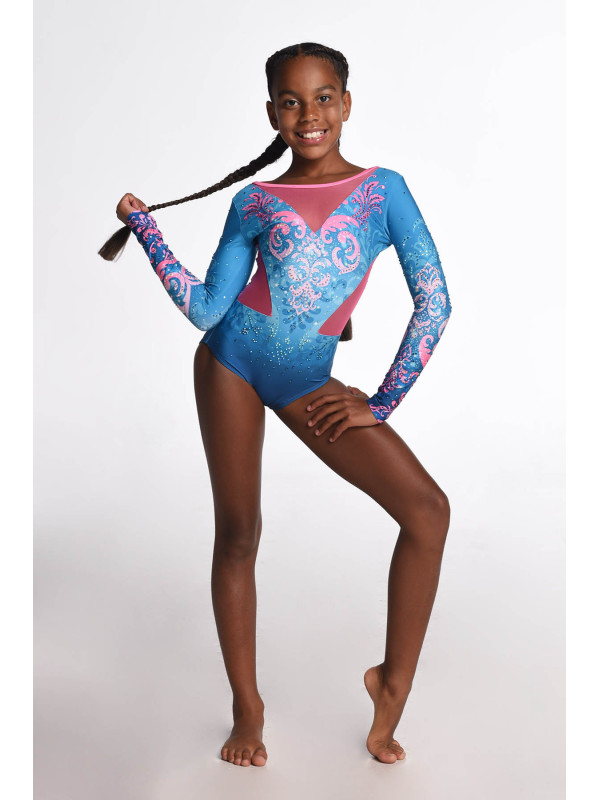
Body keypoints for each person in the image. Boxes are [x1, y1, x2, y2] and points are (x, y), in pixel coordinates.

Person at [114, 42, 452, 767]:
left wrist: (381, 402)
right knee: (239, 534)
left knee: (427, 512)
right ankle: (248, 706)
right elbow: (209, 309)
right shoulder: (255, 201)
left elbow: (435, 302)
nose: (310, 115)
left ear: (346, 103)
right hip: (230, 365)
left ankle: (390, 686)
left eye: (324, 97)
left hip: (305, 383)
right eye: (292, 102)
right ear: (273, 113)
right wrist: (148, 233)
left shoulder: (383, 192)